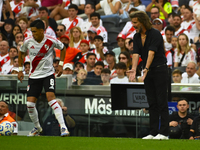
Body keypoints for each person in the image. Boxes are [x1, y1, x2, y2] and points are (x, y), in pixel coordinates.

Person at [18, 20, 69, 137]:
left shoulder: (51, 40)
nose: (33, 34)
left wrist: (61, 64)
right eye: (32, 31)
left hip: (48, 74)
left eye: (35, 31)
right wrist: (20, 69)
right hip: (34, 76)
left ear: (42, 31)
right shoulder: (28, 41)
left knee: (51, 99)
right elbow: (21, 53)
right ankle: (37, 127)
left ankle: (63, 127)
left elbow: (63, 48)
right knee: (30, 105)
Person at [128, 11, 169, 140]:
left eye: (135, 22)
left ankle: (164, 133)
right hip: (148, 72)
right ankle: (153, 132)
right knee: (151, 103)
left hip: (159, 70)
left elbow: (151, 53)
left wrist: (145, 68)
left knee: (161, 102)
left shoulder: (155, 34)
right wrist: (134, 69)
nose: (133, 25)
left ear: (143, 21)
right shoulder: (136, 36)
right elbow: (135, 54)